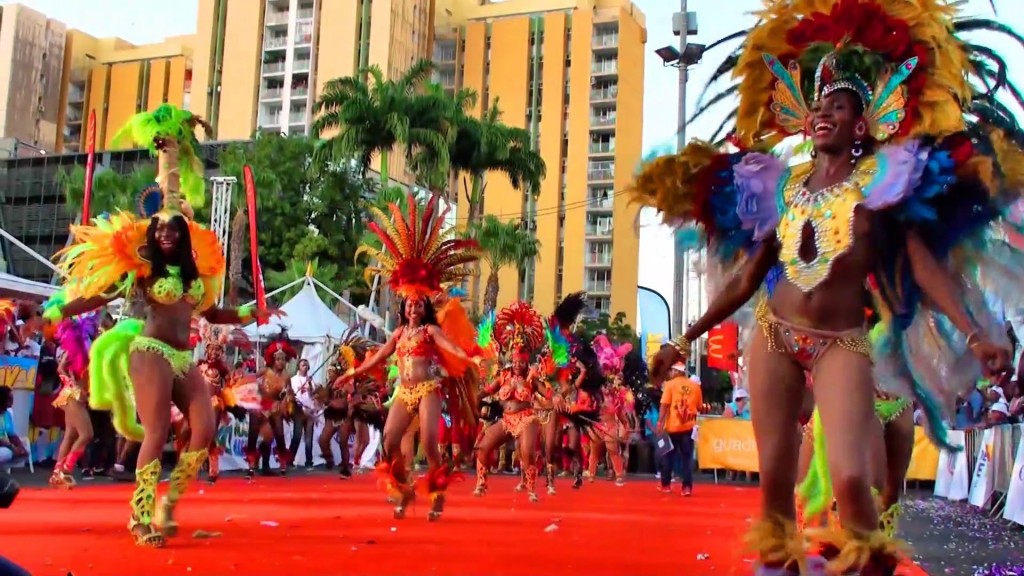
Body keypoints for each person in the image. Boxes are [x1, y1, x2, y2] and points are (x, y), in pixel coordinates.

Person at [632, 1, 1022, 572]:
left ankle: (871, 563)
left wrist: (973, 333)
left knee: (851, 480)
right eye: (816, 106)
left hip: (841, 340)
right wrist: (684, 337)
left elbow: (922, 268)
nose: (822, 114)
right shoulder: (779, 188)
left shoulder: (886, 186)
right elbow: (746, 279)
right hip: (773, 335)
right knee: (775, 487)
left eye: (836, 106)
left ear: (861, 124)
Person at [43, 104, 277, 547]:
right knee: (155, 431)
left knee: (204, 430)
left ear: (184, 236)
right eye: (161, 229)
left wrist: (252, 314)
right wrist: (61, 311)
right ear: (153, 236)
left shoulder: (195, 279)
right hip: (148, 352)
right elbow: (102, 295)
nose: (167, 232)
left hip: (182, 357)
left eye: (174, 228)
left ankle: (170, 504)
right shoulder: (144, 271)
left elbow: (212, 315)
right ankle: (140, 516)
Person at [337, 192, 481, 521]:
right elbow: (379, 357)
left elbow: (449, 347)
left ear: (424, 307)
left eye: (418, 303)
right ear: (403, 307)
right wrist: (353, 373)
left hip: (428, 388)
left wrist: (469, 358)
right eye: (409, 303)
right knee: (389, 442)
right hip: (404, 390)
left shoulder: (430, 331)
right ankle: (404, 490)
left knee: (429, 445)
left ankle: (437, 492)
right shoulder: (400, 334)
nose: (414, 307)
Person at [473, 302, 546, 501]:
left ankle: (531, 489)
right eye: (514, 361)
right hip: (506, 419)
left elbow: (544, 392)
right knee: (484, 446)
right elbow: (486, 391)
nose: (517, 364)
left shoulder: (532, 378)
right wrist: (474, 398)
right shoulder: (503, 376)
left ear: (526, 361)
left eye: (521, 361)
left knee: (527, 451)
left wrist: (554, 397)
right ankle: (481, 483)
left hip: (526, 419)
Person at [48, 315, 100, 488]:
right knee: (87, 434)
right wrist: (74, 386)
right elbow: (60, 368)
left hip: (75, 394)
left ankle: (56, 475)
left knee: (70, 435)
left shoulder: (87, 346)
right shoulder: (76, 347)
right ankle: (65, 470)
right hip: (73, 395)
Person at [246, 338, 295, 477]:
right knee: (253, 435)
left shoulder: (286, 376)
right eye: (278, 359)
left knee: (278, 435)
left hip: (274, 407)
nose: (280, 361)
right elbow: (251, 379)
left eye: (283, 359)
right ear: (273, 359)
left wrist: (287, 398)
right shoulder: (265, 371)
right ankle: (251, 467)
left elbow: (289, 393)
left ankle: (279, 467)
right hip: (260, 405)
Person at [656, 365, 702, 496]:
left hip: (672, 427)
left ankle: (666, 485)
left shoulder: (670, 385)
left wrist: (660, 422)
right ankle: (686, 487)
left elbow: (664, 405)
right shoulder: (695, 386)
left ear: (676, 371)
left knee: (668, 456)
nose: (670, 373)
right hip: (689, 427)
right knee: (687, 459)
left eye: (671, 370)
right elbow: (699, 406)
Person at [289, 358, 319, 469]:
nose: (305, 367)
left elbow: (313, 395)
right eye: (303, 365)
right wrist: (301, 407)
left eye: (306, 365)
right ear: (298, 367)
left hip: (310, 412)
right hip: (299, 412)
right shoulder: (293, 380)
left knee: (308, 437)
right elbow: (293, 396)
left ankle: (309, 461)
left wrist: (310, 384)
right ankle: (289, 460)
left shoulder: (311, 380)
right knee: (297, 435)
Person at [0, 387, 28, 471]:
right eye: (10, 398)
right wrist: (12, 448)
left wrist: (20, 446)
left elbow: (11, 434)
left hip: (4, 445)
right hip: (3, 445)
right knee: (7, 453)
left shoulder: (7, 414)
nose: (12, 400)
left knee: (23, 452)